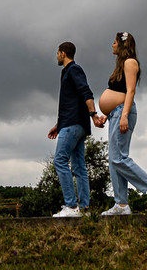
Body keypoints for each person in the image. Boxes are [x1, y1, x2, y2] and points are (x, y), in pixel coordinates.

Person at [98, 31, 147, 215]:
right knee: (114, 161)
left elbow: (130, 91)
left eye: (114, 42)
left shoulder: (130, 62)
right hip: (116, 113)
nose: (112, 45)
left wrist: (124, 115)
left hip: (123, 112)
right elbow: (118, 92)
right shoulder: (120, 65)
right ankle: (121, 204)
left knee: (118, 158)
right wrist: (107, 114)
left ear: (122, 44)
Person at [47, 41, 105, 217]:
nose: (56, 56)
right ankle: (85, 210)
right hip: (73, 124)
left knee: (60, 161)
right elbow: (70, 103)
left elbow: (86, 92)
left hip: (73, 125)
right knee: (79, 167)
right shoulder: (66, 72)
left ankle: (71, 207)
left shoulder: (74, 69)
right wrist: (58, 125)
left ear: (63, 54)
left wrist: (93, 114)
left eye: (57, 53)